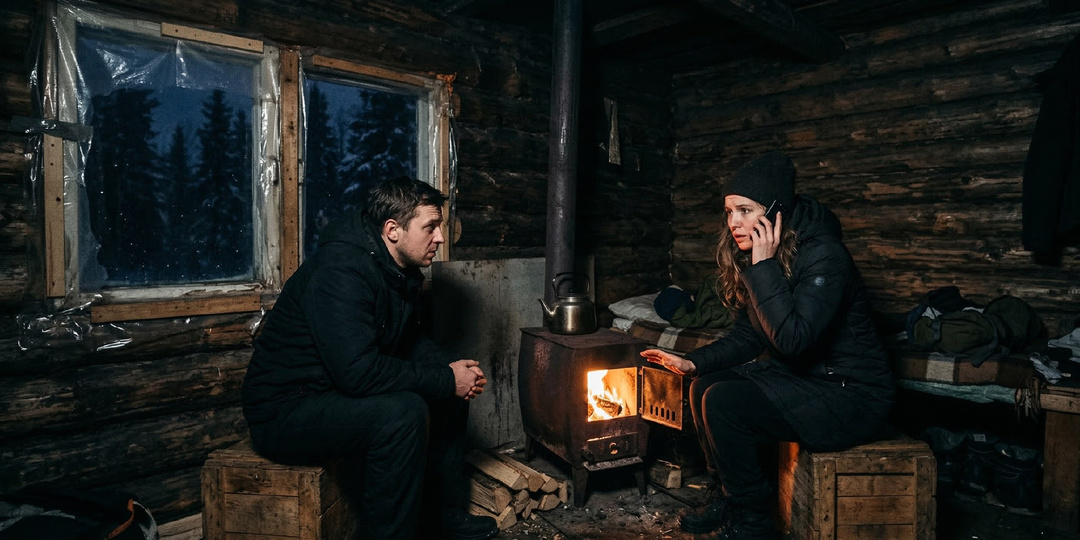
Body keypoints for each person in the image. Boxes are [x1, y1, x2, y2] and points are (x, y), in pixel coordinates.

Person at [642, 151, 895, 540]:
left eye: (745, 210)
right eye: (729, 212)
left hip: (852, 394)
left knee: (725, 402)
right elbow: (748, 337)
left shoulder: (825, 256)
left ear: (776, 211)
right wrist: (693, 362)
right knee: (703, 385)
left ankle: (754, 522)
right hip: (808, 381)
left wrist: (764, 268)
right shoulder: (758, 257)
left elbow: (793, 341)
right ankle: (731, 496)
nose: (734, 223)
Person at [241, 176, 498, 540]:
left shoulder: (396, 267)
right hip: (285, 411)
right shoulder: (342, 272)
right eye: (430, 227)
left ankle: (443, 516)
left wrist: (454, 373)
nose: (440, 238)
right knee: (402, 414)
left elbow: (407, 341)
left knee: (449, 389)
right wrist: (443, 378)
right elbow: (357, 373)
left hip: (331, 391)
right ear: (393, 230)